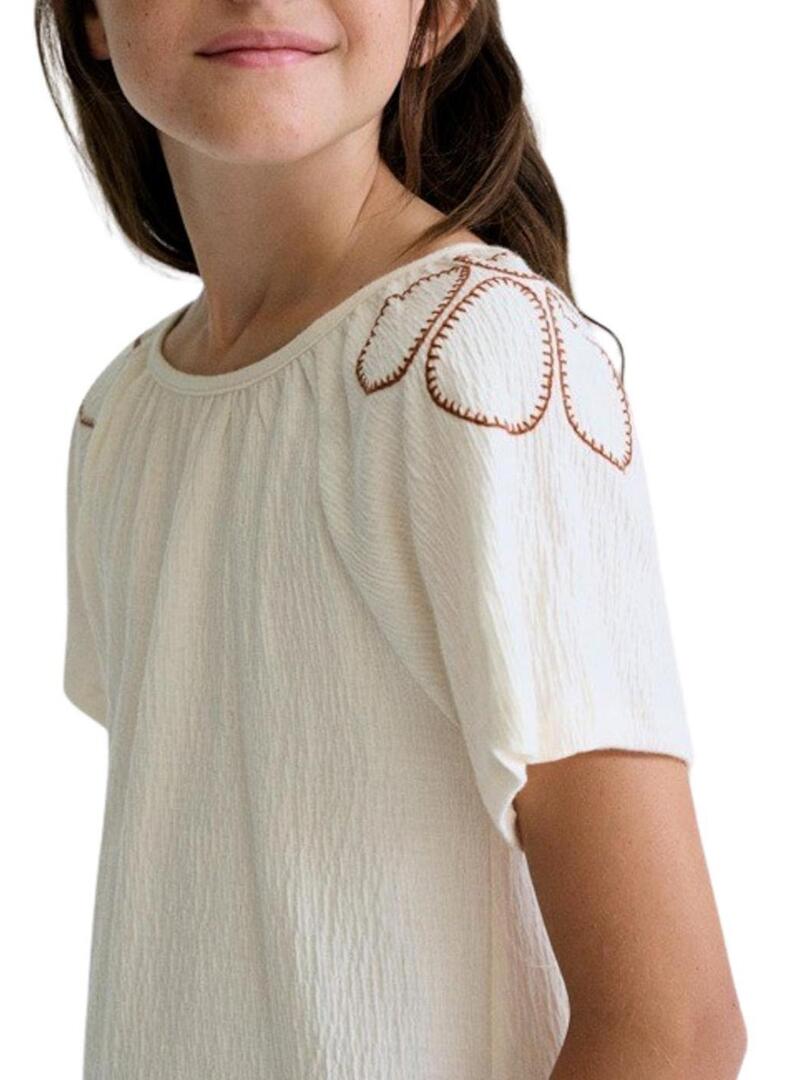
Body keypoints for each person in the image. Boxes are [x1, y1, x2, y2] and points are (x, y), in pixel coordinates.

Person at [39, 1, 746, 1077]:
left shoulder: (479, 357)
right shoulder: (121, 415)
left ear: (438, 13)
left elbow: (673, 1029)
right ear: (90, 15)